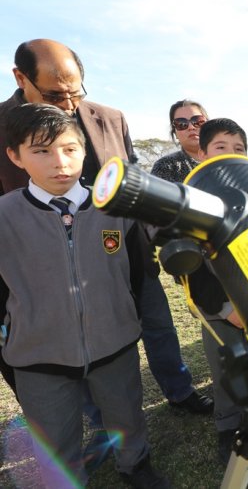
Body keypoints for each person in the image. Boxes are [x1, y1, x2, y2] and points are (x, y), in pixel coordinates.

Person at [0, 39, 211, 417]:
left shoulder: (110, 117)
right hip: (56, 267)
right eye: (54, 94)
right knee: (78, 348)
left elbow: (131, 176)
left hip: (127, 249)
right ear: (21, 78)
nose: (68, 104)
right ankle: (99, 421)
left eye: (75, 91)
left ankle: (179, 391)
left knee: (159, 325)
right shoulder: (2, 127)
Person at [0, 103, 168, 488]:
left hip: (116, 343)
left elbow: (140, 272)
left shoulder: (116, 209)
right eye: (41, 151)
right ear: (15, 155)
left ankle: (135, 465)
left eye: (70, 149)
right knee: (55, 438)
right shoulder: (5, 216)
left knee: (126, 415)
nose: (59, 162)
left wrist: (130, 317)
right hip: (38, 356)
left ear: (84, 151)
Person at [154, 118, 248, 463]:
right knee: (225, 369)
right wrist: (224, 309)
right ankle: (228, 426)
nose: (230, 154)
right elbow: (194, 271)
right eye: (220, 147)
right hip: (219, 309)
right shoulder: (192, 206)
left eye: (238, 149)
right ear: (203, 154)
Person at [150, 100, 209, 182]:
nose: (191, 127)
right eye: (181, 124)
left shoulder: (228, 158)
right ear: (175, 133)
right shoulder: (166, 166)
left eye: (198, 121)